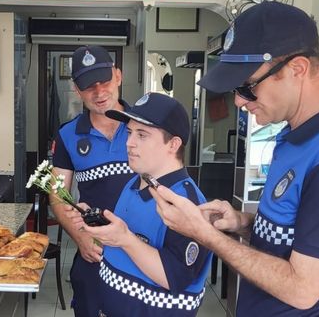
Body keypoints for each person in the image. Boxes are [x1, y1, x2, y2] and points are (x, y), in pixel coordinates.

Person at [150, 1, 319, 315]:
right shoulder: (302, 136)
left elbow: (302, 289)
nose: (239, 101)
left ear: (297, 69)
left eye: (248, 86)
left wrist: (205, 234)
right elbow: (303, 238)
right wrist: (241, 223)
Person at [64, 92, 212, 316]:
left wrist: (125, 239)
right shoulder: (135, 183)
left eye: (142, 135)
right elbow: (128, 238)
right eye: (130, 132)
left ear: (173, 144)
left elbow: (176, 278)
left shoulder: (186, 203)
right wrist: (96, 222)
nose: (129, 143)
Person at [50, 45, 134, 317]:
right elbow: (57, 193)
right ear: (76, 89)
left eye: (105, 81)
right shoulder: (67, 135)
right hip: (95, 251)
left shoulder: (145, 125)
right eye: (88, 86)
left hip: (144, 250)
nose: (99, 92)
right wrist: (80, 237)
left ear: (118, 76)